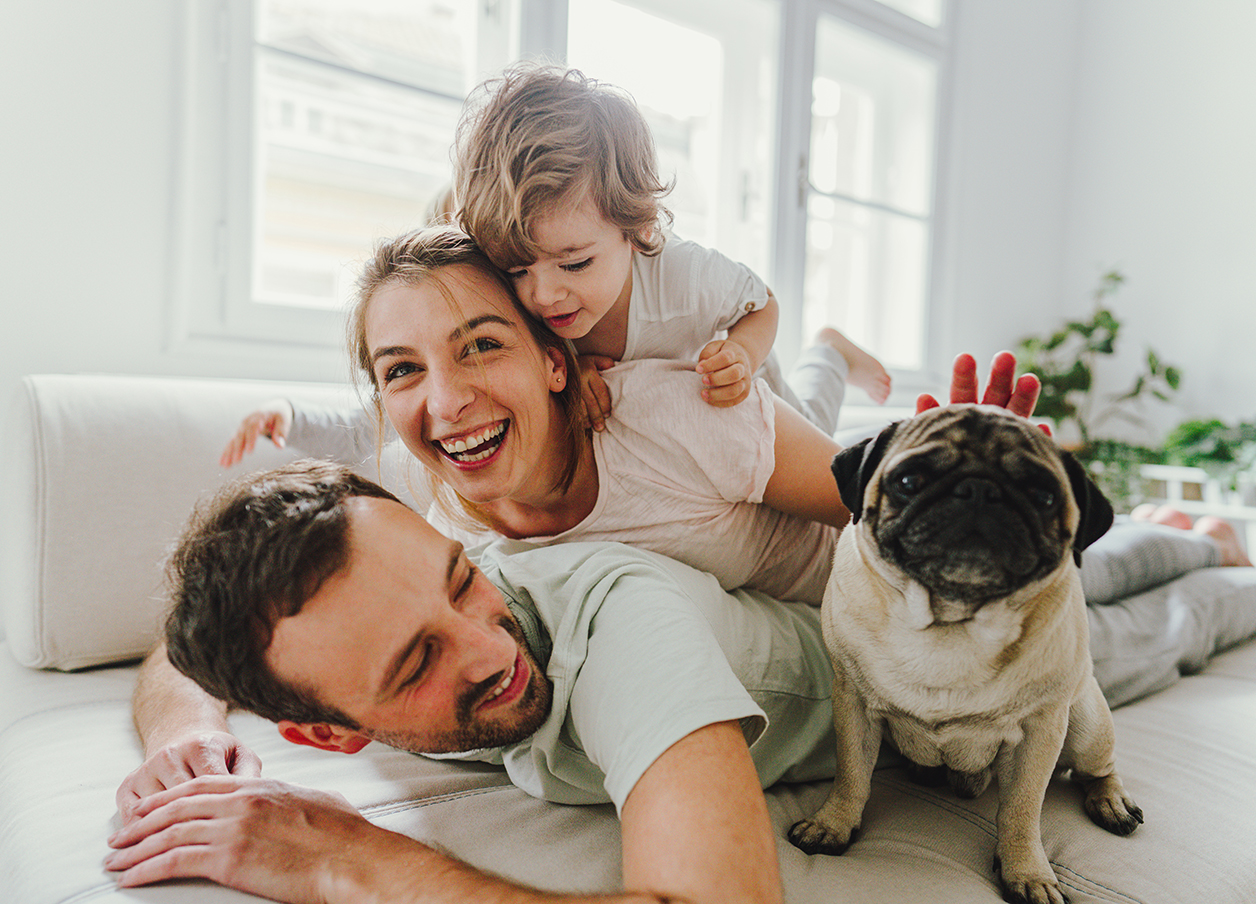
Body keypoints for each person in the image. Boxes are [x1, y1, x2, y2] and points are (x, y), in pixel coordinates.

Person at [107, 460, 840, 902]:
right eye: (417, 661)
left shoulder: (623, 625)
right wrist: (187, 732)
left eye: (462, 579)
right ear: (329, 735)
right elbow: (179, 652)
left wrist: (352, 858)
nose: (489, 649)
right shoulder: (364, 635)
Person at [452, 63, 891, 432]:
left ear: (633, 228)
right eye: (516, 269)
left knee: (813, 423)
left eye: (576, 263)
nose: (543, 295)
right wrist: (574, 370)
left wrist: (742, 354)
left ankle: (829, 353)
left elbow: (762, 304)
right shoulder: (521, 303)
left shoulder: (683, 275)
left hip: (756, 387)